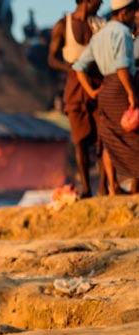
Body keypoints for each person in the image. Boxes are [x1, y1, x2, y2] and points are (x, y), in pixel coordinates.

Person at [74, 0, 139, 195]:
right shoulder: (122, 33)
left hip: (105, 90)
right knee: (133, 135)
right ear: (124, 13)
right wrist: (131, 93)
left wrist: (92, 91)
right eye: (131, 14)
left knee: (110, 138)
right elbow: (122, 68)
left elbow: (78, 67)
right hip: (120, 87)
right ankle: (136, 186)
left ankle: (114, 186)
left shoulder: (99, 35)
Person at [48, 0, 110, 198]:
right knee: (80, 140)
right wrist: (72, 68)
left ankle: (103, 187)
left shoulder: (99, 24)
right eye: (98, 2)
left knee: (103, 137)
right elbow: (52, 58)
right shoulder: (63, 25)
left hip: (98, 83)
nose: (100, 5)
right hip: (75, 87)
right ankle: (86, 188)